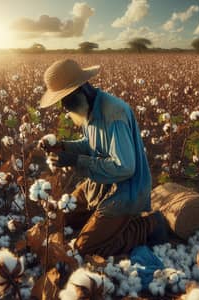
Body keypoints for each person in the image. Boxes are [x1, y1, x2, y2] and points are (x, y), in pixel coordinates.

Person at [38, 58, 167, 258]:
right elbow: (91, 145)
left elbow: (124, 167)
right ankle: (105, 223)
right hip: (99, 184)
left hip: (124, 193)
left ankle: (149, 224)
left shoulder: (113, 115)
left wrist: (74, 160)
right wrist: (61, 146)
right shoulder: (88, 108)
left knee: (85, 248)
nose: (64, 106)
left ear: (79, 90)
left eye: (65, 99)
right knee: (60, 218)